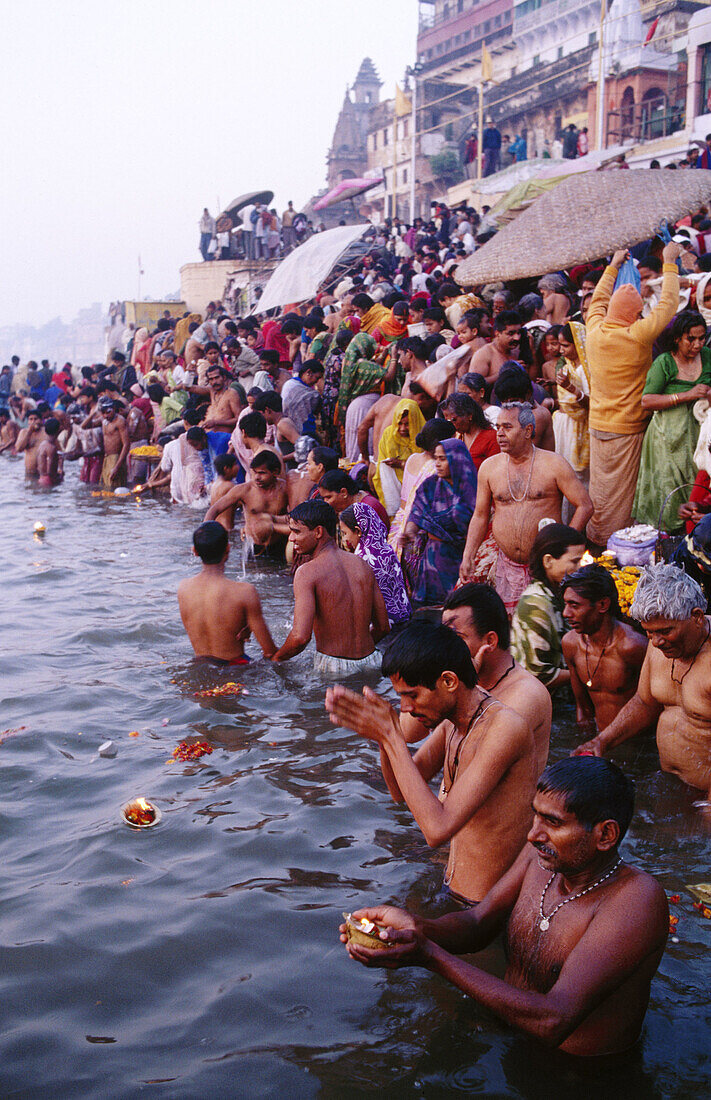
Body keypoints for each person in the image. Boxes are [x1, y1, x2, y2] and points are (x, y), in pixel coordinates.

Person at [340, 757, 668, 1058]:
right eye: (534, 816)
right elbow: (477, 924)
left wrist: (428, 955)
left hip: (580, 1075)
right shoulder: (542, 860)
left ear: (606, 835)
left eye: (552, 823)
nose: (533, 835)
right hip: (509, 1037)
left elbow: (554, 1019)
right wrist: (414, 928)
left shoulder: (636, 901)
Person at [325, 621, 536, 904]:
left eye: (412, 695)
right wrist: (383, 738)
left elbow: (436, 831)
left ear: (449, 682)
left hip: (486, 911)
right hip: (454, 893)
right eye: (401, 697)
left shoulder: (504, 727)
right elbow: (399, 793)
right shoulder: (453, 723)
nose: (406, 709)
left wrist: (392, 736)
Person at [575, 564, 711, 801]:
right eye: (649, 633)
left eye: (665, 631)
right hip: (669, 783)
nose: (656, 642)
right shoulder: (659, 643)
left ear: (697, 617)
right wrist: (602, 741)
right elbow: (645, 703)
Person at [586, 244, 681, 547]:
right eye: (639, 313)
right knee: (622, 500)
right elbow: (668, 305)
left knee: (600, 491)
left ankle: (597, 538)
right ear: (634, 314)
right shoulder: (636, 335)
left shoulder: (594, 329)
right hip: (626, 429)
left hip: (597, 425)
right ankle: (616, 546)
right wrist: (669, 263)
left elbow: (598, 301)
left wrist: (612, 266)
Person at [460, 403, 593, 614]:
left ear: (528, 430)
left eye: (507, 427)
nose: (500, 434)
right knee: (511, 627)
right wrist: (468, 555)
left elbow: (585, 506)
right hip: (507, 566)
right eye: (498, 427)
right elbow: (480, 515)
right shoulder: (489, 468)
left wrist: (562, 548)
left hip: (545, 569)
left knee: (545, 624)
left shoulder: (553, 464)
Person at [442, 584, 552, 775]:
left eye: (456, 637)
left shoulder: (526, 695)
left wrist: (464, 688)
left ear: (490, 641)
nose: (445, 647)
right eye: (444, 638)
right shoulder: (464, 680)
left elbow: (472, 764)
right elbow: (409, 733)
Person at [272, 499, 389, 672]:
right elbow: (383, 627)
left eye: (296, 532)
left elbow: (300, 638)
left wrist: (276, 658)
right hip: (373, 661)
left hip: (334, 668)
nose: (291, 538)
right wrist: (358, 654)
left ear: (318, 532)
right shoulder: (361, 564)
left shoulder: (306, 573)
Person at [633, 311, 711, 530]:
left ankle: (697, 540)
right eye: (691, 339)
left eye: (702, 338)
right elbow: (647, 401)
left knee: (699, 487)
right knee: (669, 493)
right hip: (667, 438)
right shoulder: (664, 362)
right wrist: (687, 395)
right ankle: (669, 545)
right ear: (678, 338)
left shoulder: (707, 356)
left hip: (700, 434)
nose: (697, 344)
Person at [562, 564, 648, 731]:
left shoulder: (632, 646)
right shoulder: (570, 644)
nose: (566, 613)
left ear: (602, 605)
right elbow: (582, 708)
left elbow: (653, 703)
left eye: (574, 605)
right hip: (598, 739)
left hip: (636, 742)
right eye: (565, 604)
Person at [178, 522, 275, 664]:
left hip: (199, 670)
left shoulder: (183, 588)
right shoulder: (245, 592)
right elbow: (270, 652)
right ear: (228, 549)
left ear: (195, 551)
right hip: (235, 674)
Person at [398, 437, 477, 607]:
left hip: (461, 558)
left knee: (457, 606)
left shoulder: (471, 488)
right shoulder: (430, 485)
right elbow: (417, 511)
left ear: (456, 459)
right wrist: (410, 531)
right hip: (433, 559)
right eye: (436, 459)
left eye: (443, 459)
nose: (437, 464)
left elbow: (476, 520)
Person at [511, 523, 586, 688]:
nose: (580, 568)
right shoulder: (536, 604)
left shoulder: (556, 592)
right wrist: (589, 674)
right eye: (574, 562)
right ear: (548, 561)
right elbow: (539, 675)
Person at [339, 502, 411, 627]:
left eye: (345, 533)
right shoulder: (387, 550)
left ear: (358, 531)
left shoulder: (361, 560)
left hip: (381, 627)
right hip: (403, 617)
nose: (345, 539)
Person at [204, 451, 289, 552]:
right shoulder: (244, 490)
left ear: (275, 472)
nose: (256, 477)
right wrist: (206, 533)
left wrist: (272, 520)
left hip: (279, 544)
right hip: (253, 546)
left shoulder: (286, 488)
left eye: (262, 473)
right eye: (254, 472)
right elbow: (215, 509)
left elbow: (296, 517)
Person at [552, 322, 591, 496]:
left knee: (579, 479)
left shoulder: (587, 370)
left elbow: (591, 404)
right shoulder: (569, 368)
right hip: (565, 427)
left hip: (580, 428)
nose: (561, 350)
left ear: (579, 343)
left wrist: (571, 388)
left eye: (565, 345)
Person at [371, 399, 425, 516]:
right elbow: (381, 470)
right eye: (399, 423)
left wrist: (402, 464)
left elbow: (426, 468)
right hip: (394, 492)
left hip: (418, 494)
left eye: (407, 424)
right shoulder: (388, 436)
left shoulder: (423, 436)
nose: (402, 428)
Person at [144, 426, 210, 505]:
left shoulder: (170, 446)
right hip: (196, 484)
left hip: (180, 486)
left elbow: (165, 468)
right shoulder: (200, 444)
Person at [439, 393, 498, 470]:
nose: (451, 425)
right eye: (448, 421)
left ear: (469, 415)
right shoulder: (457, 437)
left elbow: (495, 470)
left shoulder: (491, 437)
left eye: (454, 420)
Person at [318, 469, 389, 531]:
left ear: (344, 492)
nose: (326, 502)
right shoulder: (350, 505)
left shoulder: (367, 508)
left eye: (328, 497)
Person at [468, 310, 521, 383]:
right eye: (511, 333)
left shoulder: (518, 349)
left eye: (519, 333)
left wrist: (533, 353)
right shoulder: (484, 354)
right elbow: (474, 384)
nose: (517, 338)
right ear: (497, 333)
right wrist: (505, 373)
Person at [280, 360, 323, 436]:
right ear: (309, 372)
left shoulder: (289, 383)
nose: (316, 381)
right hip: (297, 431)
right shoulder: (311, 394)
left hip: (287, 429)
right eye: (317, 377)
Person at [209, 452, 241, 531]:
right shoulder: (229, 486)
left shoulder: (214, 485)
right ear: (226, 468)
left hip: (217, 527)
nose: (238, 467)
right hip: (227, 528)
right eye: (235, 464)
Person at [14, 408, 44, 476]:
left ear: (41, 420)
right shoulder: (23, 432)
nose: (33, 421)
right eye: (31, 419)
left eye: (35, 419)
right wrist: (29, 432)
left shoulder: (46, 432)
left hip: (44, 473)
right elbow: (19, 449)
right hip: (30, 472)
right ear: (28, 421)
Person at [36, 417, 63, 487]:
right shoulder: (52, 448)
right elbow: (49, 470)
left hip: (41, 478)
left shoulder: (42, 444)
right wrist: (58, 477)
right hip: (48, 480)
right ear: (58, 430)